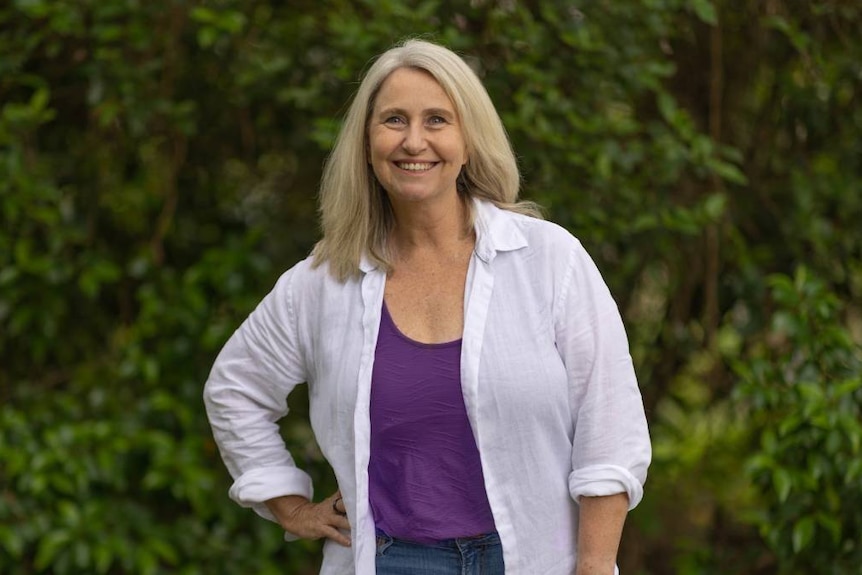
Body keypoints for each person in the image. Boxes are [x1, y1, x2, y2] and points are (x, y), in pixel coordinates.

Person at [203, 38, 651, 575]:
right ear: (367, 141)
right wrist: (289, 505)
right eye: (394, 120)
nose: (414, 141)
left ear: (468, 139)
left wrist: (596, 564)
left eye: (437, 119)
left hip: (535, 558)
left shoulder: (549, 260)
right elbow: (235, 388)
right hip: (392, 561)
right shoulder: (323, 283)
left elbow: (610, 423)